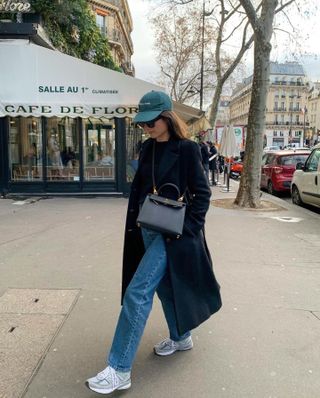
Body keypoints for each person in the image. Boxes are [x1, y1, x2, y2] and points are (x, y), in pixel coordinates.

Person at [86, 90, 222, 395]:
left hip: (171, 233)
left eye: (151, 122)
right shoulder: (147, 149)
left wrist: (187, 229)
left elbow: (202, 194)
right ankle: (181, 336)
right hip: (146, 228)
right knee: (164, 287)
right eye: (143, 124)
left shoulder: (187, 149)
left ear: (167, 118)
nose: (146, 128)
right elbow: (140, 190)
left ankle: (119, 369)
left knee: (138, 292)